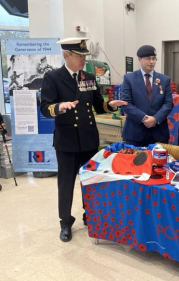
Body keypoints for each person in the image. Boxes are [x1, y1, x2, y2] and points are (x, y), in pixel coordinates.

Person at [40, 37, 127, 242]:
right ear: (66, 55)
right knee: (66, 184)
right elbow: (45, 107)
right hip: (67, 141)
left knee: (90, 182)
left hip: (88, 138)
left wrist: (111, 105)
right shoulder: (53, 77)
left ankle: (91, 215)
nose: (83, 59)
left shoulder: (88, 77)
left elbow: (98, 105)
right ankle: (65, 222)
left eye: (85, 56)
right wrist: (59, 107)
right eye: (79, 55)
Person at [120, 45, 173, 146]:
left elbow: (168, 103)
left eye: (154, 58)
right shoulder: (129, 79)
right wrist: (143, 118)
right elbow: (126, 103)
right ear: (139, 59)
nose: (152, 62)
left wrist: (155, 119)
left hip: (158, 133)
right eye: (148, 58)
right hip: (135, 133)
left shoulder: (164, 79)